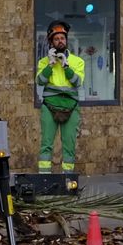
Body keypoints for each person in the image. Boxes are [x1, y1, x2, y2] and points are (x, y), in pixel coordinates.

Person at [36, 20, 85, 173]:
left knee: (69, 146)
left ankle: (68, 180)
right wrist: (50, 65)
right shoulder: (44, 62)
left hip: (71, 107)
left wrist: (66, 67)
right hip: (49, 107)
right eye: (56, 39)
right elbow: (40, 81)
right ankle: (45, 179)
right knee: (46, 144)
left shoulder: (77, 61)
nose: (60, 41)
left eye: (62, 38)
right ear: (51, 42)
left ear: (66, 40)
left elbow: (77, 82)